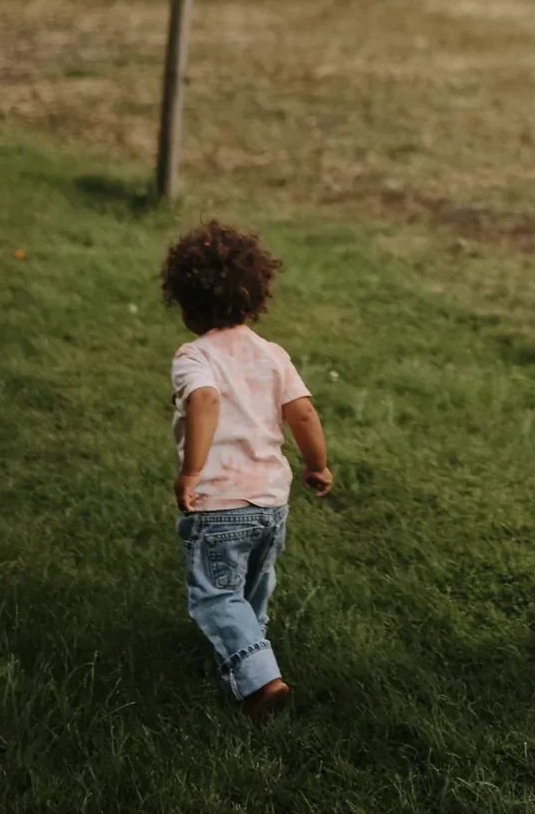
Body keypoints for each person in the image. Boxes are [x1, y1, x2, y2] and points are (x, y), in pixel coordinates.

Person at [162, 220, 333, 720]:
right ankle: (251, 650)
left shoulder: (195, 355)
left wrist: (192, 472)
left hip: (219, 504)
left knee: (215, 594)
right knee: (253, 584)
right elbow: (302, 411)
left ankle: (261, 681)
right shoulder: (272, 354)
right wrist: (317, 465)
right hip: (272, 502)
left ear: (187, 303)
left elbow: (206, 399)